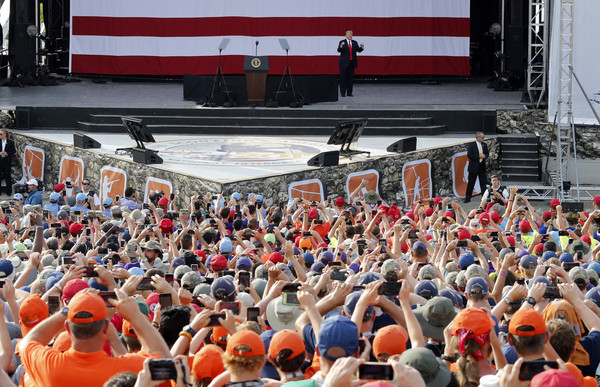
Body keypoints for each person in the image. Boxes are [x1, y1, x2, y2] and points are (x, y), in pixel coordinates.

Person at [337, 30, 364, 97]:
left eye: (351, 35)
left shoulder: (354, 42)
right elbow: (339, 50)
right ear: (346, 35)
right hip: (343, 64)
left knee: (350, 79)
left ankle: (349, 92)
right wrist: (341, 46)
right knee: (343, 79)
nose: (350, 36)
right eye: (348, 35)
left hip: (352, 63)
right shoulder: (342, 42)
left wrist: (362, 47)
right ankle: (343, 93)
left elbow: (358, 50)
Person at [464, 131, 489, 203]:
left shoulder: (484, 145)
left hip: (481, 166)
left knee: (483, 183)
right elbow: (469, 155)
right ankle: (468, 197)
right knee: (471, 183)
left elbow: (487, 153)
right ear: (478, 137)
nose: (483, 139)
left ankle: (484, 198)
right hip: (474, 167)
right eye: (482, 137)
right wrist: (478, 156)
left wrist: (485, 156)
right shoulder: (472, 145)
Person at [0, 128, 15, 196]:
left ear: (5, 135)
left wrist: (7, 153)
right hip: (0, 160)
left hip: (6, 161)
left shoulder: (10, 142)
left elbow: (13, 151)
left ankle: (9, 191)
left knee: (7, 176)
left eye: (1, 134)